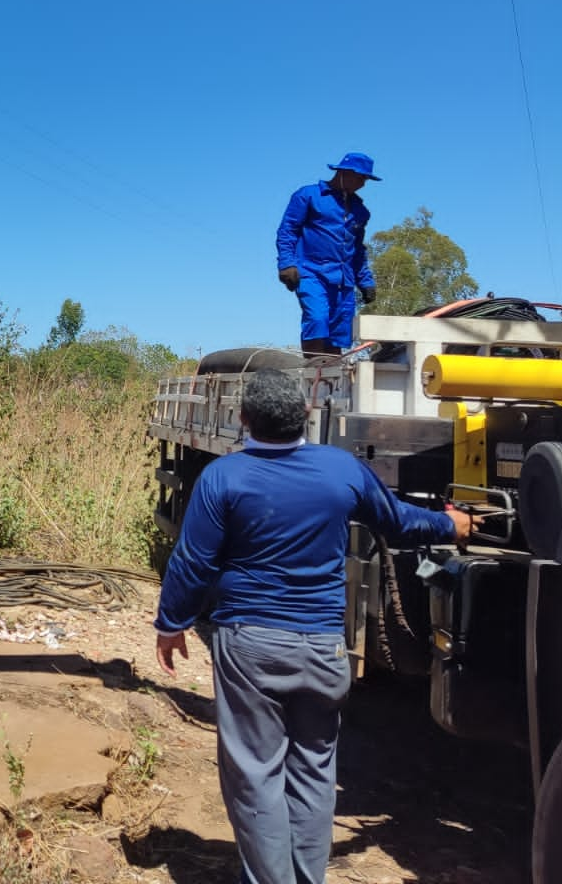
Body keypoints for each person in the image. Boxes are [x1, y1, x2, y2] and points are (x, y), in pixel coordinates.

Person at [154, 370, 474, 884]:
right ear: (305, 414)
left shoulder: (225, 477)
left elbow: (193, 562)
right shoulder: (339, 470)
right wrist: (450, 524)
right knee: (313, 772)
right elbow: (397, 520)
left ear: (243, 420)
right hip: (324, 646)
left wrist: (172, 623)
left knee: (256, 773)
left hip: (251, 646)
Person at [276, 152, 380, 356]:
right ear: (344, 172)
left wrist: (365, 281)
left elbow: (358, 249)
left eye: (365, 180)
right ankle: (312, 373)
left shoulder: (360, 211)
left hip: (344, 279)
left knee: (339, 330)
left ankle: (331, 380)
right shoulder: (308, 196)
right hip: (311, 271)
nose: (362, 184)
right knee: (317, 318)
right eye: (360, 178)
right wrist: (287, 263)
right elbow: (287, 231)